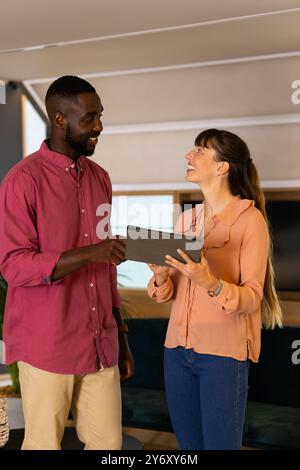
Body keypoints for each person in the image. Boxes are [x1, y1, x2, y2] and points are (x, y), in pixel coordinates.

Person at [0, 75, 133, 450]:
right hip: (47, 344)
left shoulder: (100, 179)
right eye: (90, 118)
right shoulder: (22, 181)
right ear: (60, 120)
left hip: (99, 342)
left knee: (109, 445)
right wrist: (93, 252)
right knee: (44, 445)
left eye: (100, 116)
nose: (99, 127)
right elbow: (14, 266)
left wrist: (120, 337)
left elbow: (106, 268)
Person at [148, 128, 282, 450]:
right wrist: (162, 277)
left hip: (222, 357)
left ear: (222, 167)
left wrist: (212, 283)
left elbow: (252, 297)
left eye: (198, 151)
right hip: (177, 352)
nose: (188, 156)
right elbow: (170, 294)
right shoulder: (187, 219)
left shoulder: (251, 221)